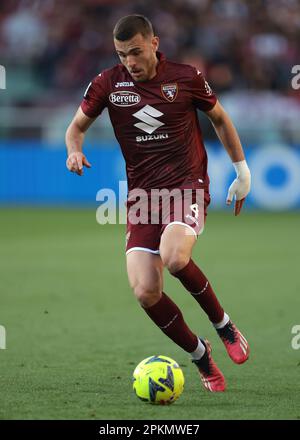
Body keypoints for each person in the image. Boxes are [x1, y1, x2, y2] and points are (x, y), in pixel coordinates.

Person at [65, 14, 251, 392]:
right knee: (145, 292)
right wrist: (73, 151)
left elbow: (219, 119)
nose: (129, 62)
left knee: (175, 257)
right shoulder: (107, 83)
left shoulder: (186, 77)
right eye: (121, 55)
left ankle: (223, 324)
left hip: (187, 184)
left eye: (135, 52)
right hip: (142, 196)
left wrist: (242, 172)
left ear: (154, 43)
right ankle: (201, 355)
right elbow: (76, 128)